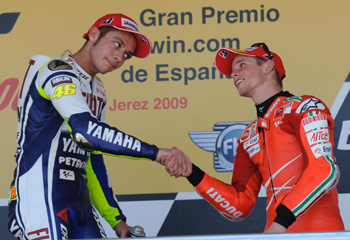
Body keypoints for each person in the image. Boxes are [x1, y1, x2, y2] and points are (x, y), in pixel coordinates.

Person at [8, 13, 191, 240]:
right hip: (39, 197)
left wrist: (116, 220)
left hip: (79, 204)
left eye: (126, 55)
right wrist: (156, 153)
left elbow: (92, 156)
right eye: (117, 44)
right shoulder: (55, 69)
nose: (119, 58)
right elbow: (86, 131)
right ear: (94, 34)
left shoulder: (98, 90)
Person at [183, 43, 345, 232]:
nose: (234, 74)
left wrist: (281, 222)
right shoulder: (247, 136)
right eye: (232, 71)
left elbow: (325, 170)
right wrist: (192, 173)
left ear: (268, 66)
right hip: (276, 234)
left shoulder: (303, 107)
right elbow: (239, 206)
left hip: (318, 233)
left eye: (241, 65)